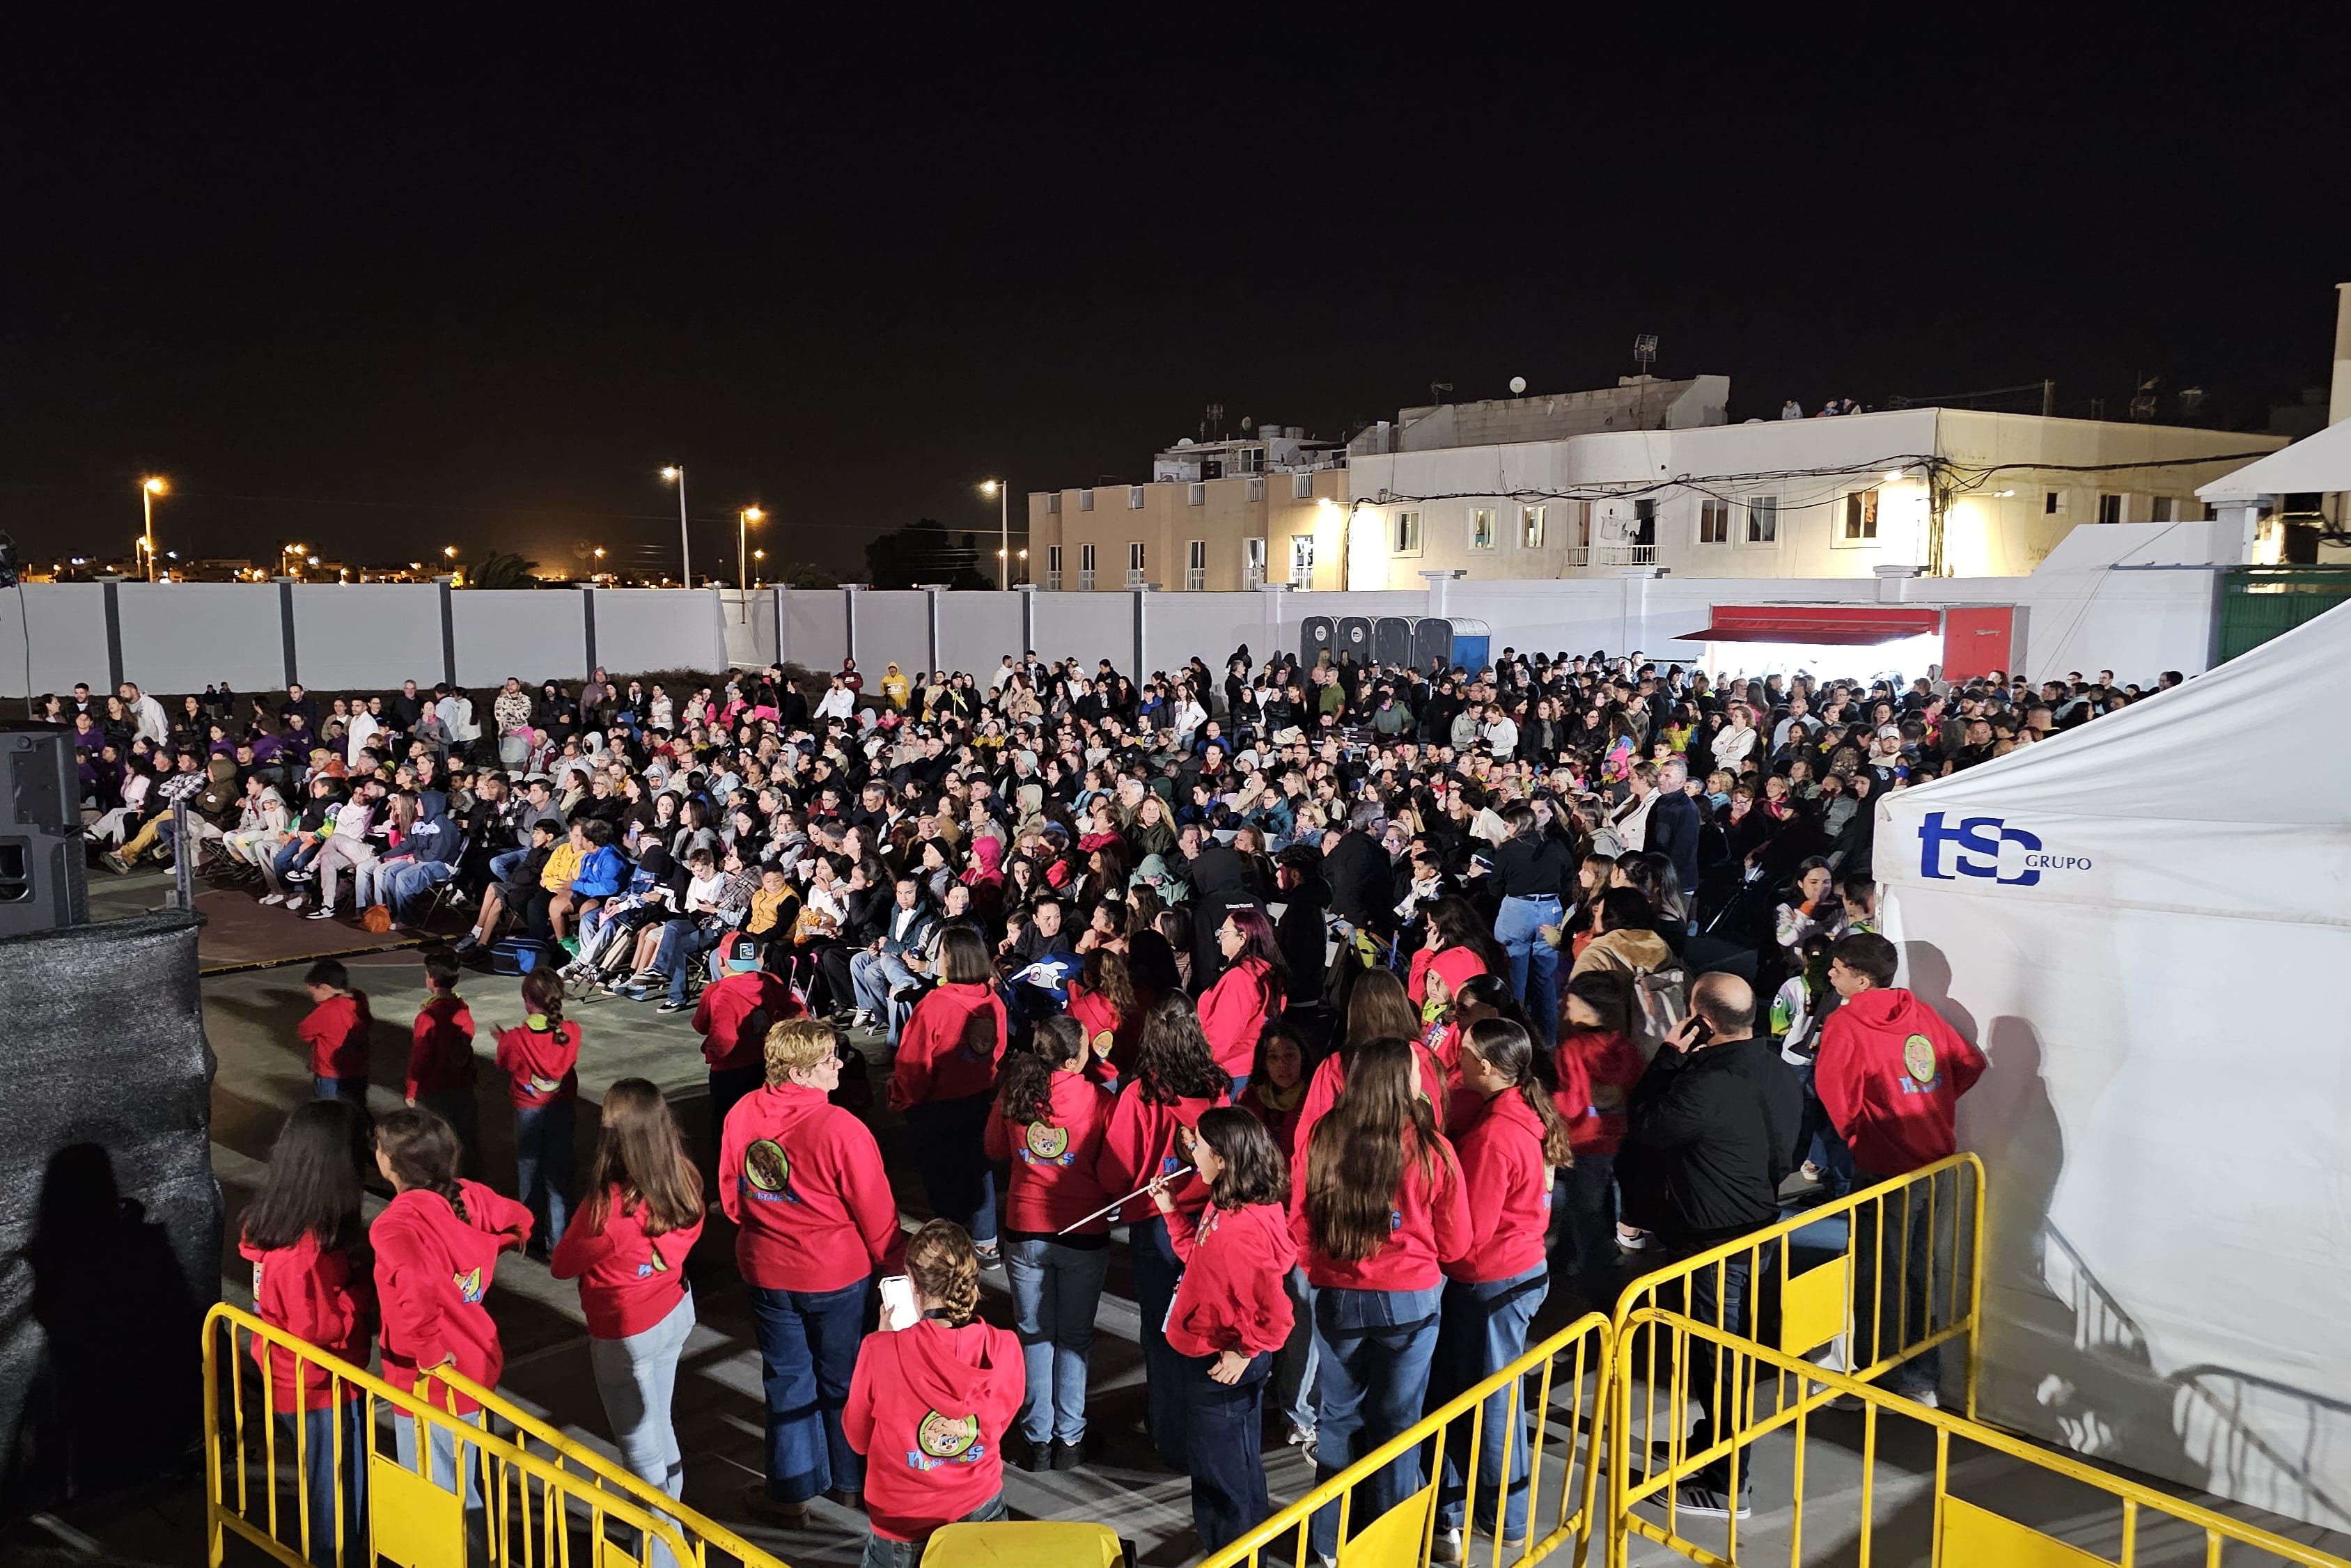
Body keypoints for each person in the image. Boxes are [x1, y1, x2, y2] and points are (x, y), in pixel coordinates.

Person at [1616, 973, 1802, 1519]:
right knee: (1724, 1350)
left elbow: (1646, 1126)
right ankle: (1713, 1442)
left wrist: (1668, 1059)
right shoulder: (1778, 1070)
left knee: (1715, 1357)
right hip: (1756, 1228)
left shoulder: (1705, 1084)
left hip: (1714, 1245)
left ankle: (1726, 1486)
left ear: (1701, 1020)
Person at [1293, 1035, 1470, 1562]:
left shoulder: (1325, 1137)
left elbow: (1299, 1218)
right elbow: (1457, 1242)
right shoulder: (1432, 1147)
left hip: (1338, 1297)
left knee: (1340, 1419)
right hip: (1410, 1303)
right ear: (1401, 1082)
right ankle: (1388, 1548)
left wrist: (1319, 1269)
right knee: (1397, 1425)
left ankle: (1329, 1543)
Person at [723, 1018, 907, 1523]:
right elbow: (876, 1212)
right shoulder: (841, 1128)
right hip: (835, 1276)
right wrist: (894, 1267)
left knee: (786, 1379)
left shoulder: (741, 1114)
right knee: (843, 1378)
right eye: (829, 1060)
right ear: (801, 1073)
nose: (839, 1066)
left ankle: (792, 1490)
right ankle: (850, 1482)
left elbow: (731, 1198)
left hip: (766, 1271)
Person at [1815, 932, 1987, 1404]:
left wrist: (1866, 1136)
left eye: (1839, 967)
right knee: (1916, 1270)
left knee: (1878, 1274)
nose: (1830, 972)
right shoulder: (1921, 1013)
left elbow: (1837, 1095)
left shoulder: (1845, 1026)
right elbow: (1969, 1064)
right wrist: (1931, 1111)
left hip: (1886, 1169)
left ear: (1863, 978)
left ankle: (1879, 1382)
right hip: (1936, 1161)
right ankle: (1919, 1375)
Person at [1431, 1018, 1577, 1556]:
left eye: (1464, 1052)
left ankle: (1507, 1516)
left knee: (1494, 1405)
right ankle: (1499, 1510)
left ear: (1486, 1067)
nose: (1457, 1058)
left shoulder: (1494, 1137)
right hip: (1516, 1273)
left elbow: (1471, 1229)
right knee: (1496, 1398)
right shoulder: (1518, 1111)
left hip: (1489, 1281)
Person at [549, 1080, 705, 1561]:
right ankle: (672, 1524)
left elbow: (562, 1264)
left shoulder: (609, 1207)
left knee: (639, 1451)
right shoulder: (685, 1176)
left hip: (626, 1333)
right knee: (661, 1424)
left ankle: (659, 1553)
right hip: (675, 1311)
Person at [370, 1108, 532, 1516]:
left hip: (428, 1380)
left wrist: (426, 1350)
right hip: (476, 1366)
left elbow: (416, 1282)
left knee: (440, 1504)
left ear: (390, 1163)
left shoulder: (394, 1226)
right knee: (469, 1484)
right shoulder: (468, 1196)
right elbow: (520, 1218)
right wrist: (502, 1244)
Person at [1149, 1107, 1297, 1554]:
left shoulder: (1239, 1230)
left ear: (1225, 1158)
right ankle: (1248, 1550)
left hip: (1218, 1363)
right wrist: (1173, 1215)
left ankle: (1231, 1555)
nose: (1191, 1151)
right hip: (1219, 1353)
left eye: (1198, 1145)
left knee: (1222, 1479)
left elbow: (1278, 1313)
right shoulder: (1235, 1202)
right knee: (1241, 1464)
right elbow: (1201, 1258)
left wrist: (1246, 1351)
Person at [1095, 995, 1233, 1468]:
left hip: (1156, 1224)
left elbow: (1118, 1165)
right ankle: (1203, 1430)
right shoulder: (1217, 1089)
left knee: (1162, 1331)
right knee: (1206, 1325)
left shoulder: (1140, 1094)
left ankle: (1170, 1434)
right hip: (1210, 1222)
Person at [238, 1101, 375, 1568]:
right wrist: (361, 1293)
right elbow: (320, 1328)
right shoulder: (304, 1253)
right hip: (322, 1389)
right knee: (336, 1503)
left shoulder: (280, 1226)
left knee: (328, 1493)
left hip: (301, 1384)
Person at [841, 1221, 1025, 1568]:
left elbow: (857, 1438)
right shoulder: (1005, 1348)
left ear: (913, 1283)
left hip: (903, 1522)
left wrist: (884, 1341)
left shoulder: (880, 1350)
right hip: (979, 1509)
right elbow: (996, 1426)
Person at [983, 1014, 1116, 1471]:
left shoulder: (1016, 1092)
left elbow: (996, 1150)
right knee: (1075, 1336)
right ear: (1077, 1056)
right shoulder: (1099, 1100)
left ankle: (1037, 1439)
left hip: (1025, 1226)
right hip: (1084, 1228)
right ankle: (1070, 1437)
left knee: (1034, 1334)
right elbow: (1113, 1167)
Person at [888, 927, 1010, 1262]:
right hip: (980, 1096)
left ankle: (952, 1251)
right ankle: (987, 1241)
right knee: (979, 1167)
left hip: (938, 1105)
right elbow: (998, 1050)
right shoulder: (993, 1000)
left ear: (950, 959)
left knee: (943, 1179)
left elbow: (915, 1063)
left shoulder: (935, 1005)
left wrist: (903, 1097)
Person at [493, 968, 580, 1249]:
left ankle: (529, 1236)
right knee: (559, 1176)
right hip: (561, 1108)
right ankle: (559, 1241)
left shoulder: (515, 1039)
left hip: (529, 1111)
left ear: (527, 1001)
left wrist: (505, 1041)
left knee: (529, 1172)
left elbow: (505, 1063)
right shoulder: (571, 1032)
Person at [694, 941, 801, 1154]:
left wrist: (711, 1051)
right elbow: (797, 1011)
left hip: (730, 1072)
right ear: (758, 960)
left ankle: (730, 1169)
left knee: (727, 1123)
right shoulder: (771, 981)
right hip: (768, 1064)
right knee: (766, 1119)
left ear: (721, 961)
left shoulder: (718, 991)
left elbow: (707, 1029)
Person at [1488, 805, 1575, 1049]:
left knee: (1515, 975)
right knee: (1545, 977)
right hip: (1551, 909)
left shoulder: (1509, 849)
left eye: (1507, 824)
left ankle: (1514, 1042)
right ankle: (1548, 1040)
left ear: (1516, 825)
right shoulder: (1555, 846)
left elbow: (1495, 885)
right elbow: (1569, 875)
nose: (1505, 828)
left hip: (1519, 910)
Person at [1197, 906, 1285, 1093]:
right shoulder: (1266, 970)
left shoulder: (1241, 977)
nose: (1220, 937)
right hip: (1253, 1064)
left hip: (1233, 1071)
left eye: (1225, 932)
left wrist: (1198, 1063)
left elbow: (1224, 1032)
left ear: (1242, 937)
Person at [407, 949, 478, 1168]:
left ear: (432, 979)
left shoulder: (427, 1018)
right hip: (462, 1085)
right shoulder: (463, 1011)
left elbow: (419, 1059)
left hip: (434, 1089)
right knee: (464, 1139)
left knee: (434, 1142)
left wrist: (411, 1091)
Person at [298, 959, 374, 1107]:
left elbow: (304, 1031)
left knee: (329, 1110)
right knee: (357, 1107)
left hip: (331, 1074)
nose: (313, 998)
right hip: (359, 1070)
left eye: (313, 993)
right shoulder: (359, 998)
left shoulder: (327, 1011)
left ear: (325, 988)